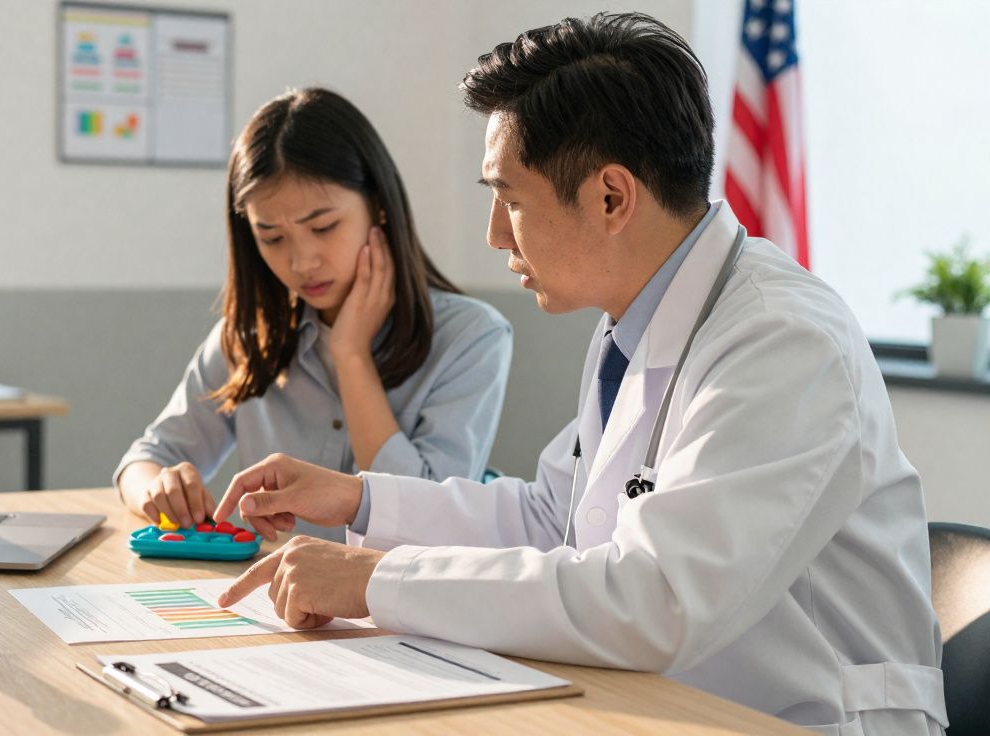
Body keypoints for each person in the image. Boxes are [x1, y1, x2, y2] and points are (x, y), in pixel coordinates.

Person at [211, 14, 946, 734]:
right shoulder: (635, 323)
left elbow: (656, 598)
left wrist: (373, 582)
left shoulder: (781, 340)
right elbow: (547, 520)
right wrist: (359, 500)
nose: (495, 234)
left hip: (805, 717)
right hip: (666, 706)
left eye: (510, 199)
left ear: (611, 197)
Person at [115, 88, 513, 541]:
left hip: (391, 606)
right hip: (273, 601)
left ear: (378, 206)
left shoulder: (472, 336)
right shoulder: (249, 336)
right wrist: (158, 487)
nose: (302, 262)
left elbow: (424, 521)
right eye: (271, 237)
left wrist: (351, 356)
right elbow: (144, 459)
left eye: (323, 227)